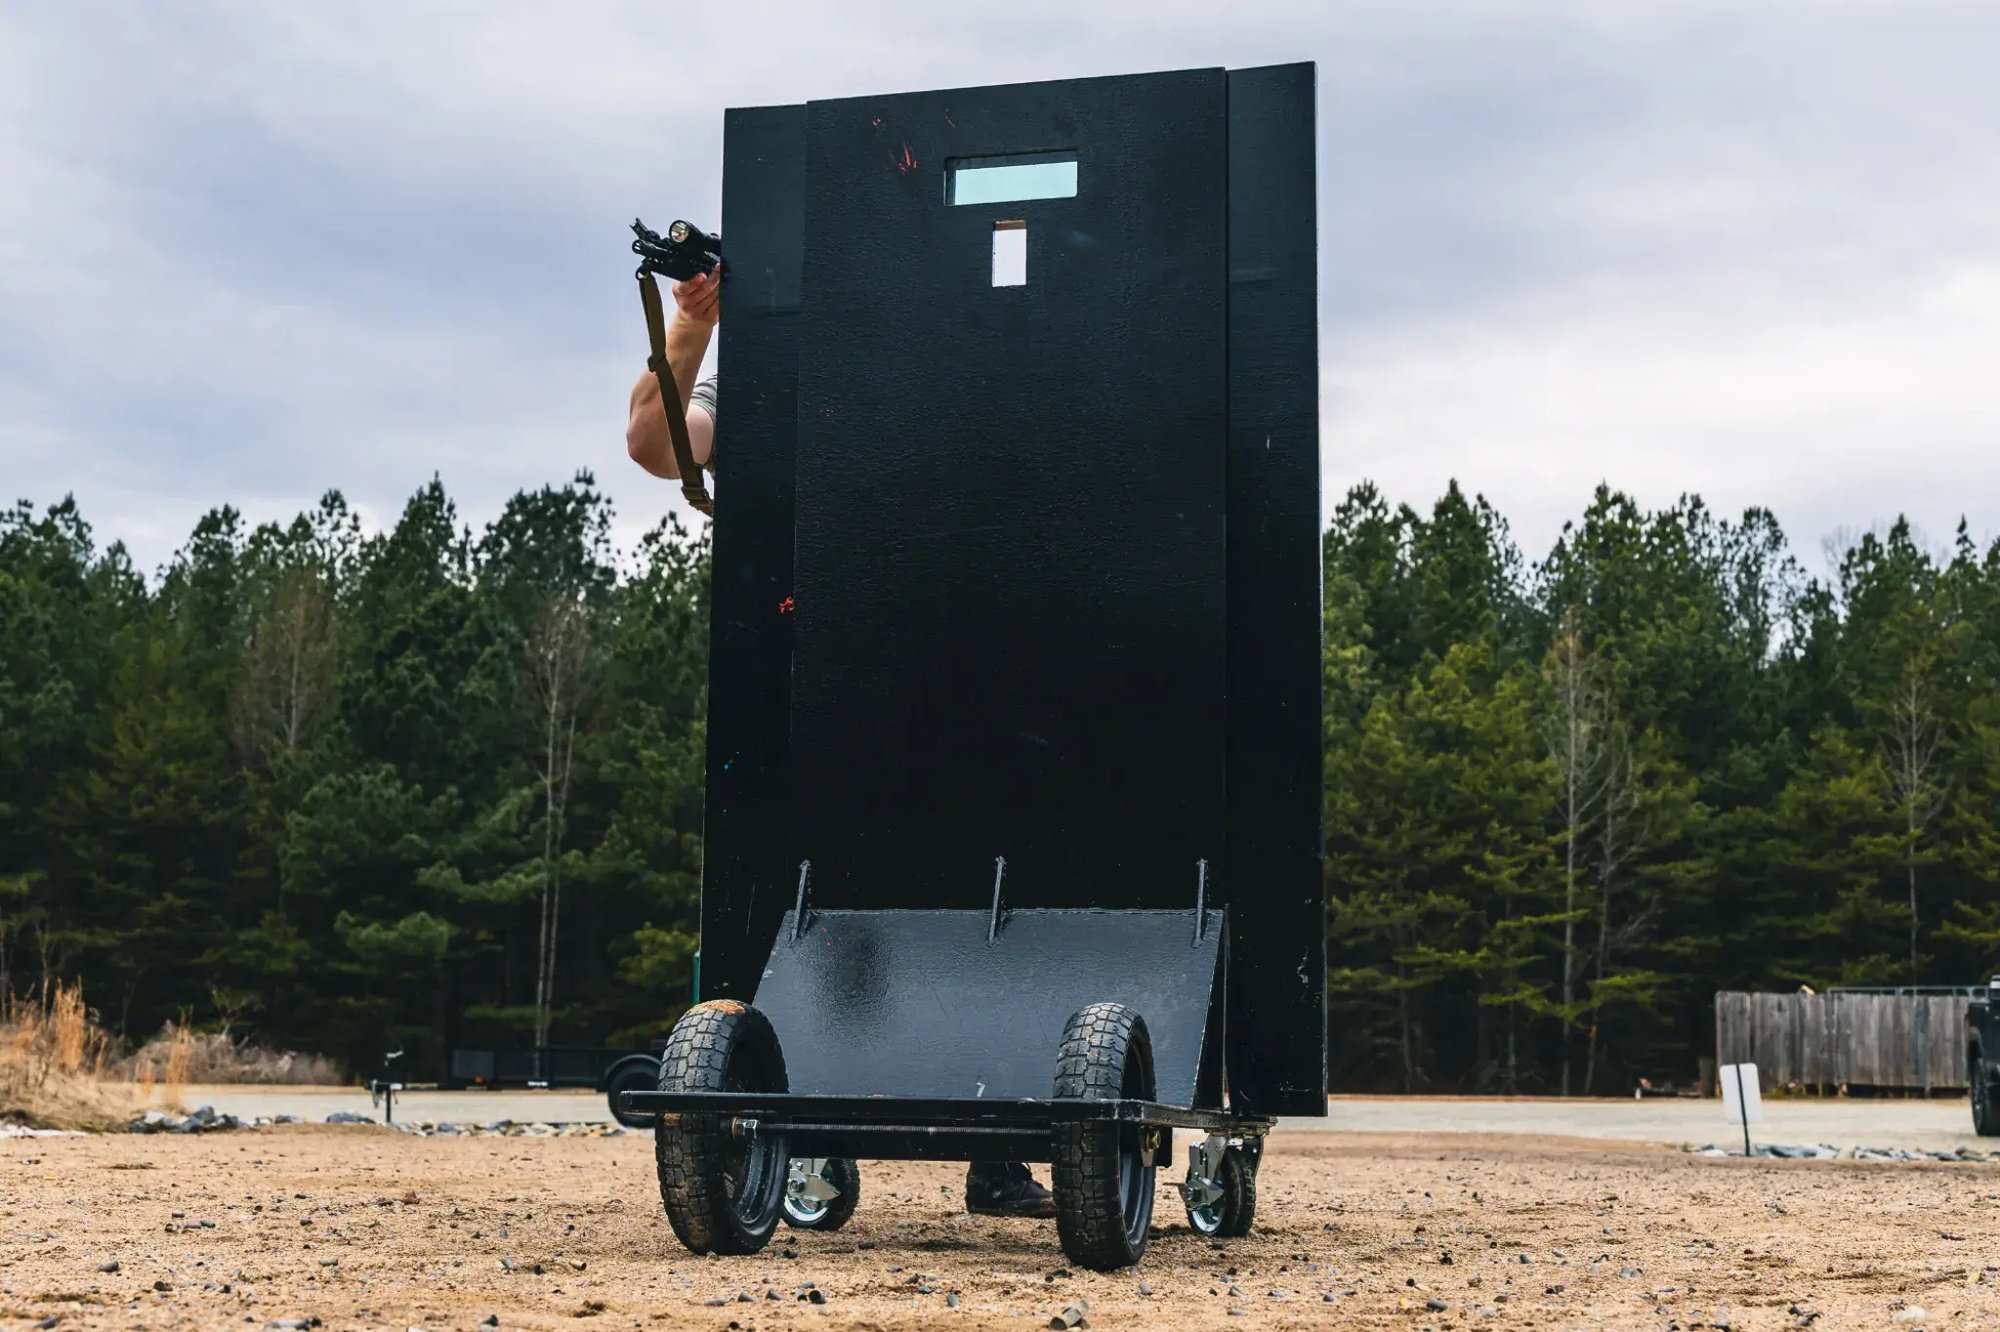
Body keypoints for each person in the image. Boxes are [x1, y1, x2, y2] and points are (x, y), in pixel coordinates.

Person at [623, 270, 1057, 1221]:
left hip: (940, 654)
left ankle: (1003, 1149)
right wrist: (694, 328)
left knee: (978, 890)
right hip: (801, 666)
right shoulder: (746, 365)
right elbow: (657, 446)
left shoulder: (910, 340)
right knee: (810, 905)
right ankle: (807, 1135)